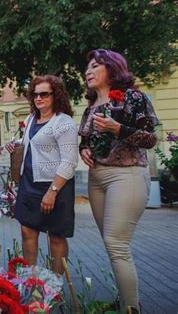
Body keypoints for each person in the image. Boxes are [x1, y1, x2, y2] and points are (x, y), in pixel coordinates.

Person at [78, 49, 159, 312]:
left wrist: (117, 128)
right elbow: (86, 140)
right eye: (87, 67)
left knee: (117, 245)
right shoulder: (91, 106)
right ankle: (125, 299)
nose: (88, 71)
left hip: (126, 175)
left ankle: (131, 308)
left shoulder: (133, 97)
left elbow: (150, 138)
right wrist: (84, 150)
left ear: (112, 69)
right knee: (112, 245)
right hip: (97, 178)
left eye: (95, 66)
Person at [6, 75, 78, 275]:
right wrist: (17, 144)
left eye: (44, 94)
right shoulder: (31, 119)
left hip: (56, 186)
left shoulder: (64, 123)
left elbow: (70, 161)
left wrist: (52, 191)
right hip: (29, 184)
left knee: (55, 236)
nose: (38, 98)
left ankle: (54, 286)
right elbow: (35, 144)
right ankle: (31, 281)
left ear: (56, 95)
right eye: (35, 94)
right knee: (27, 230)